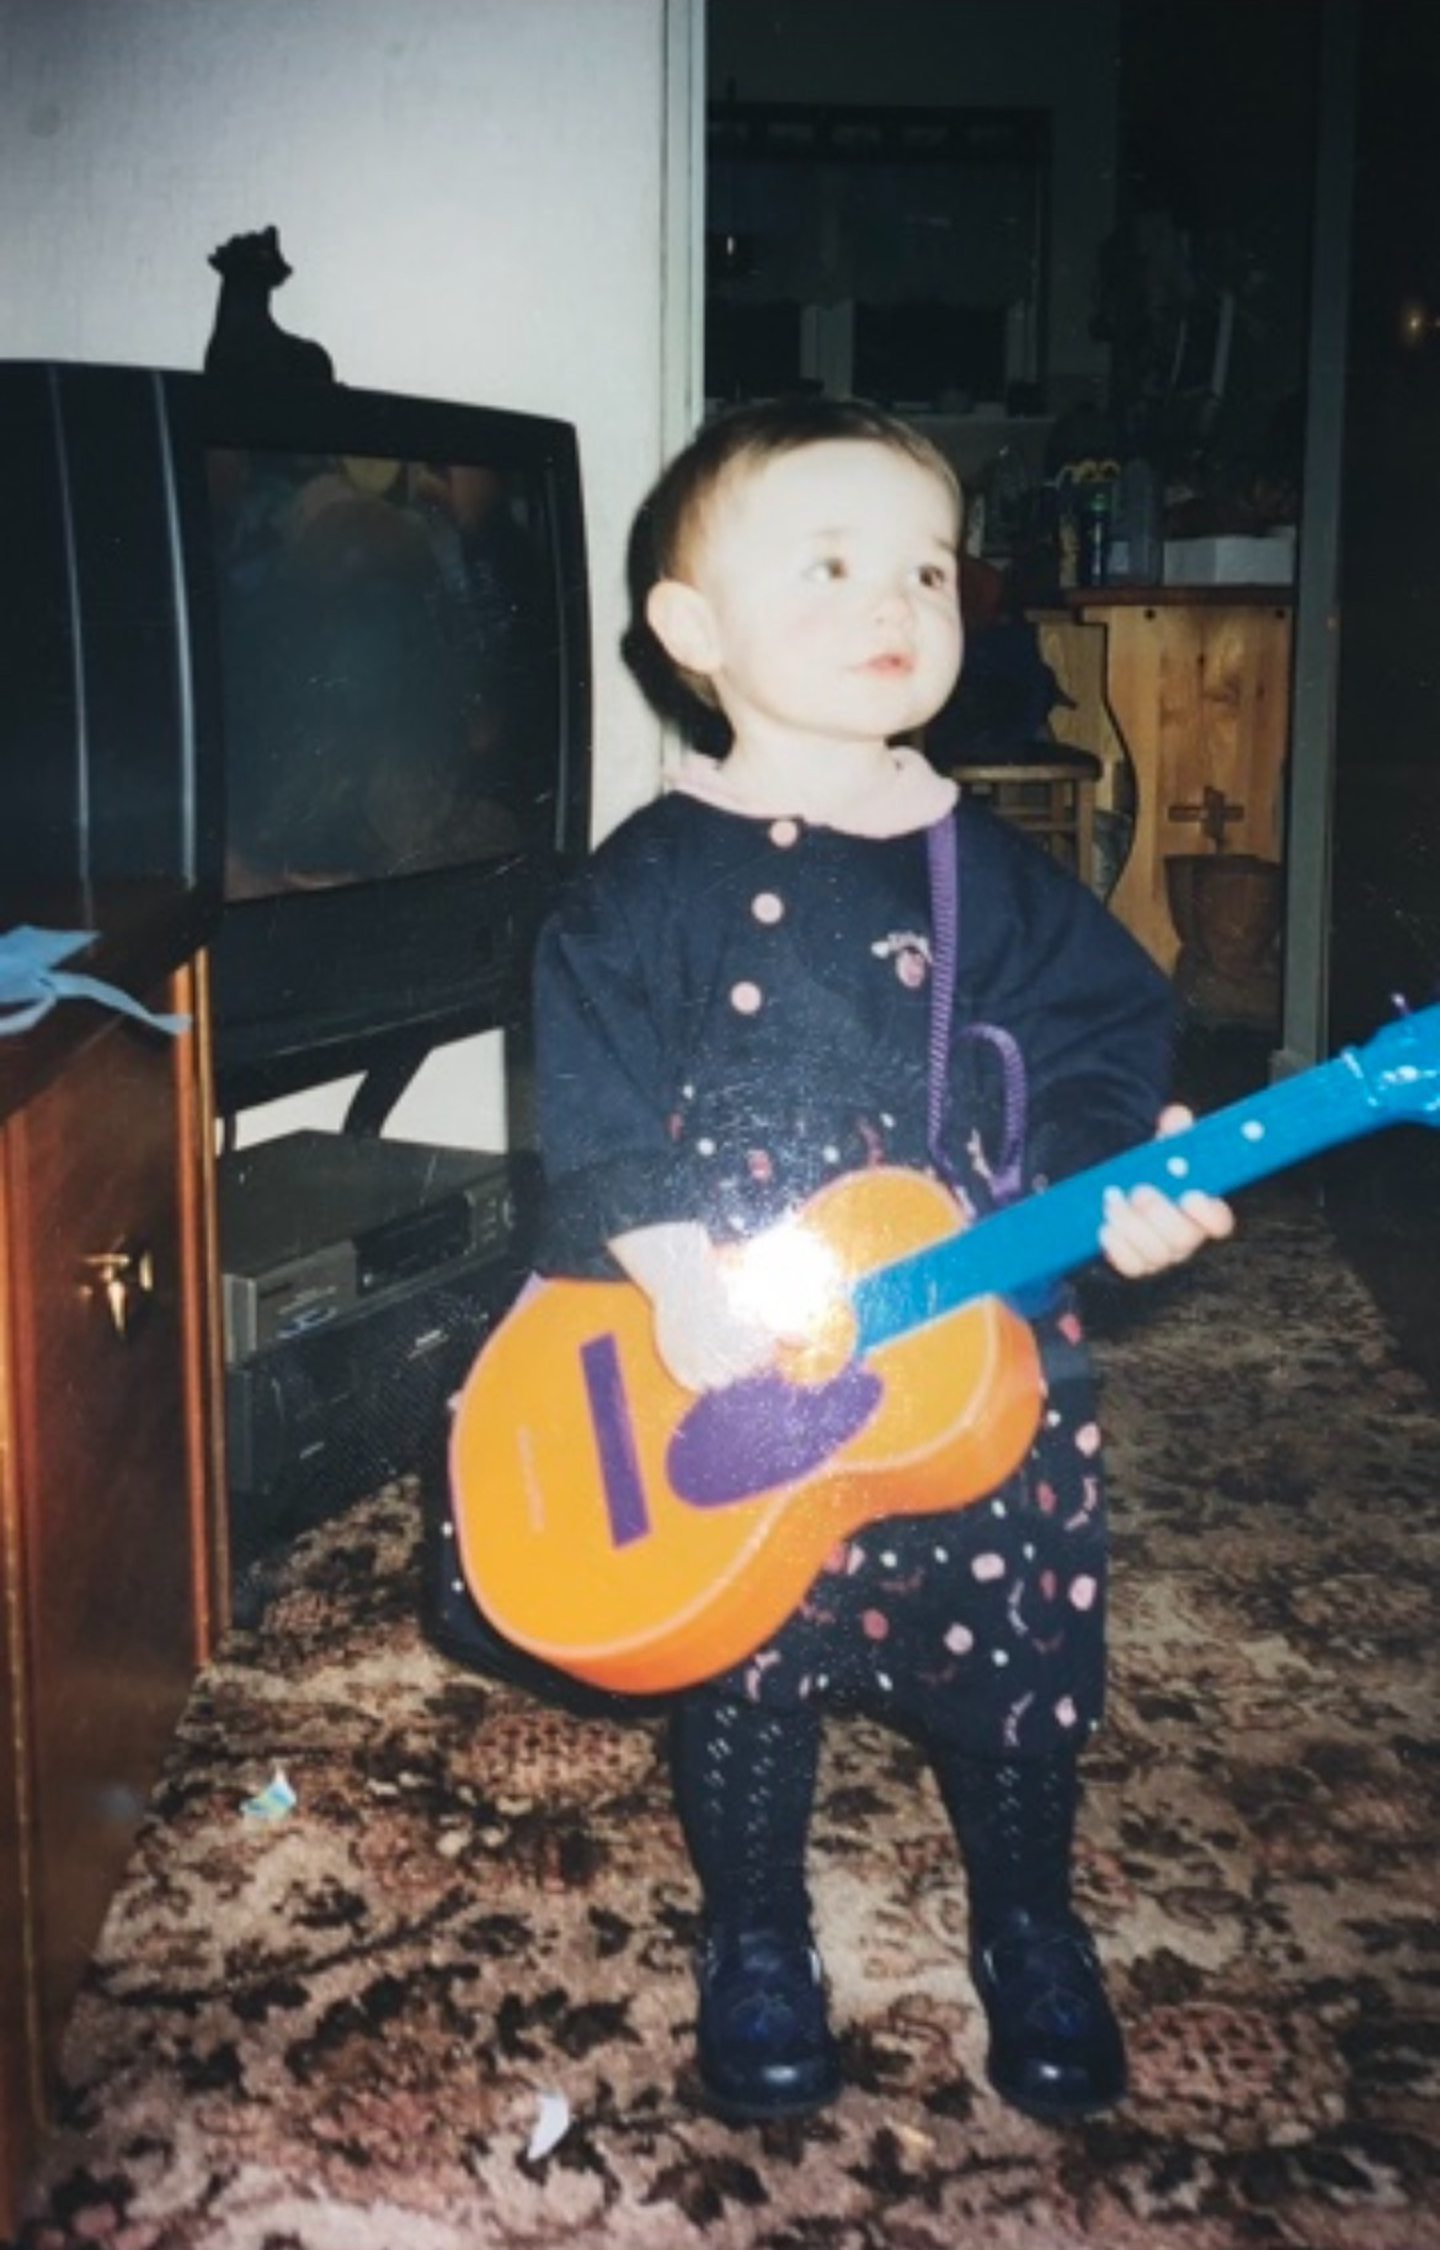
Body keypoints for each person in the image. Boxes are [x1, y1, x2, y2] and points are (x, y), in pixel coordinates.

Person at [530, 396, 1233, 2126]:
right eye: (830, 562)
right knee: (753, 1664)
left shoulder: (983, 865)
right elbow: (594, 1075)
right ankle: (760, 1930)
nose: (893, 600)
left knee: (1011, 1661)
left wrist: (1103, 1182)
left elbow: (1103, 1035)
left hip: (961, 1349)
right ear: (691, 635)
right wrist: (672, 1268)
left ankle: (1026, 1918)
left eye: (926, 564)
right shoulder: (642, 882)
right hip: (734, 1346)